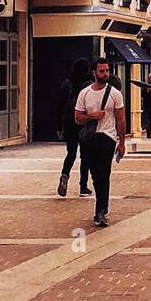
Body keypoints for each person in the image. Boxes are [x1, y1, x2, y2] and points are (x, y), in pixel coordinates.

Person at [74, 57, 127, 226]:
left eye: (107, 71)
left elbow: (121, 118)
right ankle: (100, 208)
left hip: (107, 137)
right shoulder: (85, 93)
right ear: (94, 73)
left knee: (104, 173)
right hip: (89, 138)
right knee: (95, 175)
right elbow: (77, 118)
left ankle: (101, 210)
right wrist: (92, 116)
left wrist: (121, 142)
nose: (105, 74)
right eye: (102, 71)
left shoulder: (115, 94)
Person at [57, 57, 92, 198]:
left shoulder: (67, 83)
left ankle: (65, 175)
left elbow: (59, 106)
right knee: (85, 155)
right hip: (83, 121)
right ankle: (83, 186)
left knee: (71, 153)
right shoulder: (89, 85)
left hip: (69, 122)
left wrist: (59, 126)